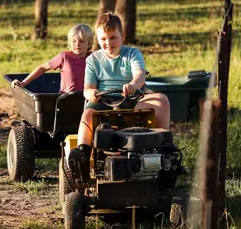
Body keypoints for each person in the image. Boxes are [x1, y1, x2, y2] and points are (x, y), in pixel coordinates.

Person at [66, 12, 170, 186]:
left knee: (161, 100)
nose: (108, 43)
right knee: (87, 115)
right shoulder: (93, 59)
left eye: (113, 38)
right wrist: (91, 93)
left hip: (132, 98)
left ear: (122, 35)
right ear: (97, 39)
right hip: (103, 100)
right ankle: (82, 157)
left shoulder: (132, 54)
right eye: (103, 39)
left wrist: (133, 85)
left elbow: (139, 75)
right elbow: (87, 88)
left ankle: (161, 148)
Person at [12, 24, 94, 93]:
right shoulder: (65, 57)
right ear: (69, 42)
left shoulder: (94, 58)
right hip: (66, 98)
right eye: (74, 41)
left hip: (87, 98)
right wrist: (23, 83)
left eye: (82, 41)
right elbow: (43, 67)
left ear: (89, 43)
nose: (77, 44)